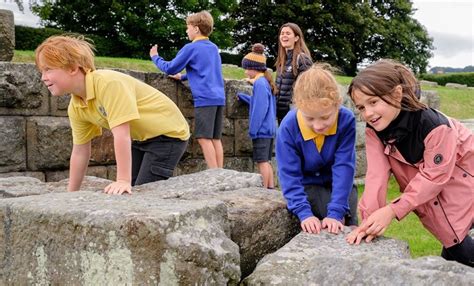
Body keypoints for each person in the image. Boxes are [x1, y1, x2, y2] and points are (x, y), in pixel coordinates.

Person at [346, 59, 473, 267]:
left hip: (465, 183)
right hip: (444, 196)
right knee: (453, 245)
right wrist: (368, 221)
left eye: (373, 102)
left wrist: (392, 210)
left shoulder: (434, 126)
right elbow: (376, 176)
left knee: (459, 248)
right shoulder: (375, 131)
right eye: (361, 107)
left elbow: (434, 177)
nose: (367, 113)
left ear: (396, 94)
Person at [35, 35, 190, 195]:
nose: (43, 77)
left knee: (145, 192)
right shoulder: (77, 106)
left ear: (73, 68)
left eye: (48, 69)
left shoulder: (108, 84)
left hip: (169, 135)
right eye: (42, 71)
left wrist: (122, 180)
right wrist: (71, 194)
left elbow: (121, 134)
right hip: (140, 138)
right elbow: (80, 151)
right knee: (132, 190)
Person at [276, 64, 358, 235]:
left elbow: (344, 166)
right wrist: (304, 213)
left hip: (340, 186)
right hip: (307, 188)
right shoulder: (288, 126)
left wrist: (336, 212)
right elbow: (289, 174)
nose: (318, 125)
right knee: (320, 228)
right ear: (298, 106)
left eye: (325, 117)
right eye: (310, 118)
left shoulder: (346, 120)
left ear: (338, 104)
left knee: (347, 226)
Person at [149, 10, 225, 169]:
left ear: (196, 29)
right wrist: (183, 77)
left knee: (204, 138)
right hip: (219, 97)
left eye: (188, 27)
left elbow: (170, 68)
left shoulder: (191, 48)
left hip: (205, 98)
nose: (186, 30)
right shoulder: (213, 48)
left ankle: (214, 174)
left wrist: (155, 57)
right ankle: (221, 173)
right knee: (215, 139)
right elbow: (205, 71)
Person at [237, 43, 277, 189]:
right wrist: (245, 97)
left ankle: (265, 190)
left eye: (247, 69)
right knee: (267, 160)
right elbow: (262, 102)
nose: (246, 72)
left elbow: (260, 108)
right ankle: (271, 187)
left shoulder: (259, 83)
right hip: (269, 130)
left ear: (254, 68)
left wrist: (253, 130)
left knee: (262, 162)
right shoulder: (265, 82)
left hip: (261, 131)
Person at [275, 22, 313, 124]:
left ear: (296, 38)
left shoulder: (302, 59)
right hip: (281, 115)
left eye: (288, 33)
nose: (284, 36)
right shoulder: (281, 60)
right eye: (282, 33)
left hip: (295, 114)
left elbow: (308, 88)